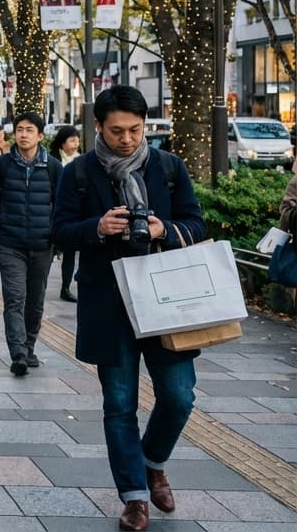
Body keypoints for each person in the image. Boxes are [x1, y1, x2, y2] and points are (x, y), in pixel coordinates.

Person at [52, 86, 206, 532]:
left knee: (179, 396)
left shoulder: (169, 168)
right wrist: (96, 228)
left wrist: (165, 228)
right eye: (116, 130)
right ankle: (135, 496)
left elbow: (196, 223)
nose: (127, 139)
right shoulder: (79, 172)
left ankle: (153, 461)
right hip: (108, 302)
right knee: (119, 403)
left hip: (167, 299)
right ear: (97, 126)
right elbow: (60, 232)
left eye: (135, 130)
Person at [0, 112, 62, 376]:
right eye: (19, 130)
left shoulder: (53, 167)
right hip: (9, 242)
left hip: (42, 243)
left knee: (35, 299)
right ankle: (18, 353)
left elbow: (62, 207)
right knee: (14, 298)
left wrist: (60, 239)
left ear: (40, 135)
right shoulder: (2, 165)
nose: (24, 135)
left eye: (29, 130)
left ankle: (29, 346)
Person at [49, 126, 83, 302]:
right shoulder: (53, 161)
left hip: (73, 213)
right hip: (52, 213)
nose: (76, 143)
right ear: (62, 142)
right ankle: (40, 285)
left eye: (77, 139)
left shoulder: (81, 161)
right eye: (72, 140)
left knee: (69, 252)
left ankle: (66, 287)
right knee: (49, 252)